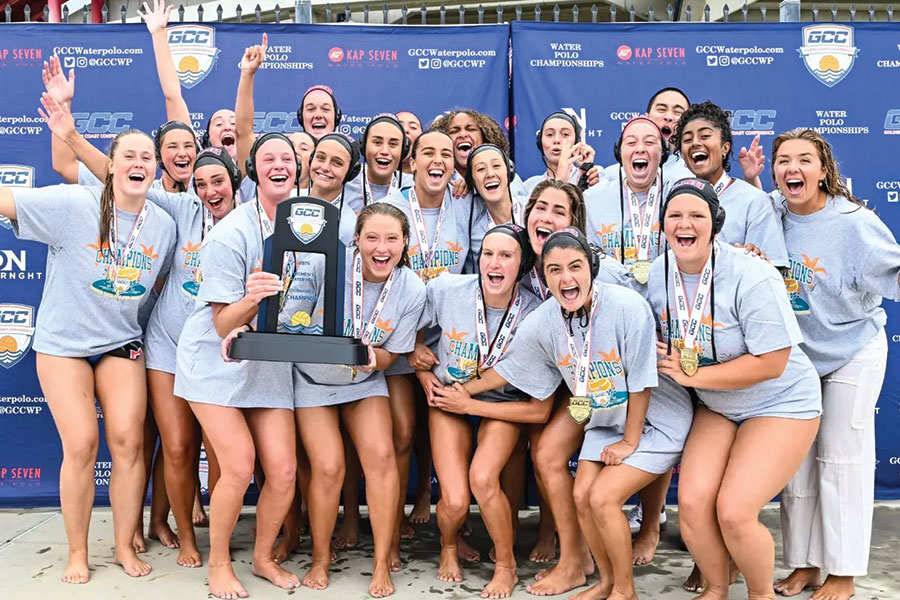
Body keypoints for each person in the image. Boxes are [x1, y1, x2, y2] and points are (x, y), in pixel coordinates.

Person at [0, 129, 177, 583]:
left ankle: (122, 545)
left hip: (120, 342)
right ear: (111, 166)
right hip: (64, 345)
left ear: (153, 169)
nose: (139, 162)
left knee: (128, 442)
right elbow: (8, 202)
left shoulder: (163, 224)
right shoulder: (75, 204)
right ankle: (77, 552)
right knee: (81, 445)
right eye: (129, 155)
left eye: (147, 156)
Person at [647, 178, 821, 600]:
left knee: (735, 512)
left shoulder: (751, 273)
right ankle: (717, 587)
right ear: (662, 225)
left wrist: (692, 377)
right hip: (718, 404)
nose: (684, 224)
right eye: (675, 216)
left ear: (716, 224)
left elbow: (773, 362)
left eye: (696, 215)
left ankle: (760, 595)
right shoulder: (658, 273)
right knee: (690, 504)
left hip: (781, 399)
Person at [771, 129, 900, 600]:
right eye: (783, 160)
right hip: (800, 359)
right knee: (797, 463)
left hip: (853, 350)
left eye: (804, 160)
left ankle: (843, 573)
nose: (792, 169)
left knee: (841, 460)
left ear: (823, 169)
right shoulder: (772, 212)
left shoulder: (854, 222)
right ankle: (805, 564)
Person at [174, 132, 303, 599]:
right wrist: (253, 298)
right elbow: (221, 322)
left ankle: (264, 557)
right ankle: (220, 563)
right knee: (239, 465)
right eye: (268, 158)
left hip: (267, 358)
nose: (278, 164)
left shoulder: (308, 222)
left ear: (297, 167)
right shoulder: (230, 234)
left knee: (285, 470)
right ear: (252, 170)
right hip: (214, 361)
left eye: (287, 157)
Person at [282, 202, 426, 597]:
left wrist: (363, 356)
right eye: (373, 237)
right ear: (357, 240)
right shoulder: (323, 266)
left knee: (381, 457)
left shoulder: (412, 289)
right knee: (328, 467)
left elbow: (390, 357)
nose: (382, 247)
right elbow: (288, 328)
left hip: (365, 380)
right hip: (312, 379)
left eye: (392, 238)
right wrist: (335, 350)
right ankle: (321, 559)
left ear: (404, 244)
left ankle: (381, 564)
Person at [415, 224, 544, 598]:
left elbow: (531, 398)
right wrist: (419, 363)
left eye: (506, 255)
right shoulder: (447, 288)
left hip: (500, 404)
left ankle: (506, 566)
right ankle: (450, 546)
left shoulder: (535, 313)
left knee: (484, 479)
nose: (495, 262)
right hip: (448, 400)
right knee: (454, 499)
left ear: (522, 266)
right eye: (488, 253)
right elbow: (410, 327)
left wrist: (466, 399)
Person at [380, 128, 472, 569]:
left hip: (449, 343)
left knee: (443, 437)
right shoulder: (392, 209)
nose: (437, 161)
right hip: (400, 338)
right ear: (410, 162)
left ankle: (449, 521)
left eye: (447, 154)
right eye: (427, 153)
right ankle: (391, 526)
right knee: (401, 433)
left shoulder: (465, 207)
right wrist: (410, 346)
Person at [671, 101, 788, 267]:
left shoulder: (756, 201)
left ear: (725, 148)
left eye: (705, 136)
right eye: (687, 139)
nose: (695, 143)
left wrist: (748, 259)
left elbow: (772, 270)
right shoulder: (676, 201)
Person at [430, 109, 528, 198]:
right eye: (454, 131)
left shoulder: (507, 177)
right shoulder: (435, 178)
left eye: (470, 129)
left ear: (485, 138)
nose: (463, 134)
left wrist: (476, 186)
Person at [464, 144, 526, 273]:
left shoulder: (532, 210)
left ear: (509, 172)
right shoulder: (472, 226)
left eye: (496, 166)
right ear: (472, 181)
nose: (490, 174)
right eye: (481, 169)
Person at [523, 111, 601, 195]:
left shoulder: (596, 177)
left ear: (576, 142)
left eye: (565, 134)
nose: (556, 140)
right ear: (540, 142)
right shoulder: (529, 187)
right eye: (549, 134)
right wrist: (560, 180)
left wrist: (585, 175)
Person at [343, 113, 408, 214]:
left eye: (393, 144)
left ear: (403, 151)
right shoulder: (344, 183)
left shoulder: (413, 186)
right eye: (377, 143)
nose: (384, 151)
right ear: (363, 147)